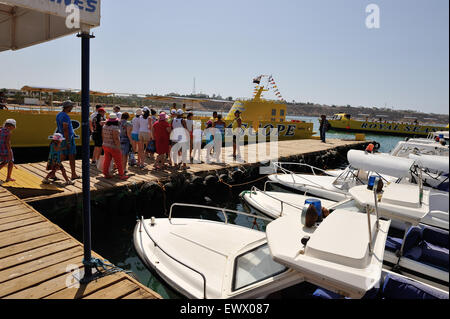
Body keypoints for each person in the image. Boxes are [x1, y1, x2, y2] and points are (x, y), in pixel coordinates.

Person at [56, 100, 79, 180]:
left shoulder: (59, 114)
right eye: (71, 107)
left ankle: (52, 173)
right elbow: (65, 128)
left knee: (62, 156)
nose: (72, 108)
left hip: (63, 137)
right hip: (68, 138)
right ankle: (73, 174)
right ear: (68, 107)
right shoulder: (65, 116)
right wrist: (68, 141)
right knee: (71, 156)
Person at [102, 114, 129, 180]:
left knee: (107, 160)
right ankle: (121, 175)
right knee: (119, 161)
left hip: (105, 145)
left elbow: (102, 136)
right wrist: (119, 147)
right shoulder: (115, 128)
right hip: (113, 147)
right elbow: (116, 139)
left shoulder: (104, 126)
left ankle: (105, 173)